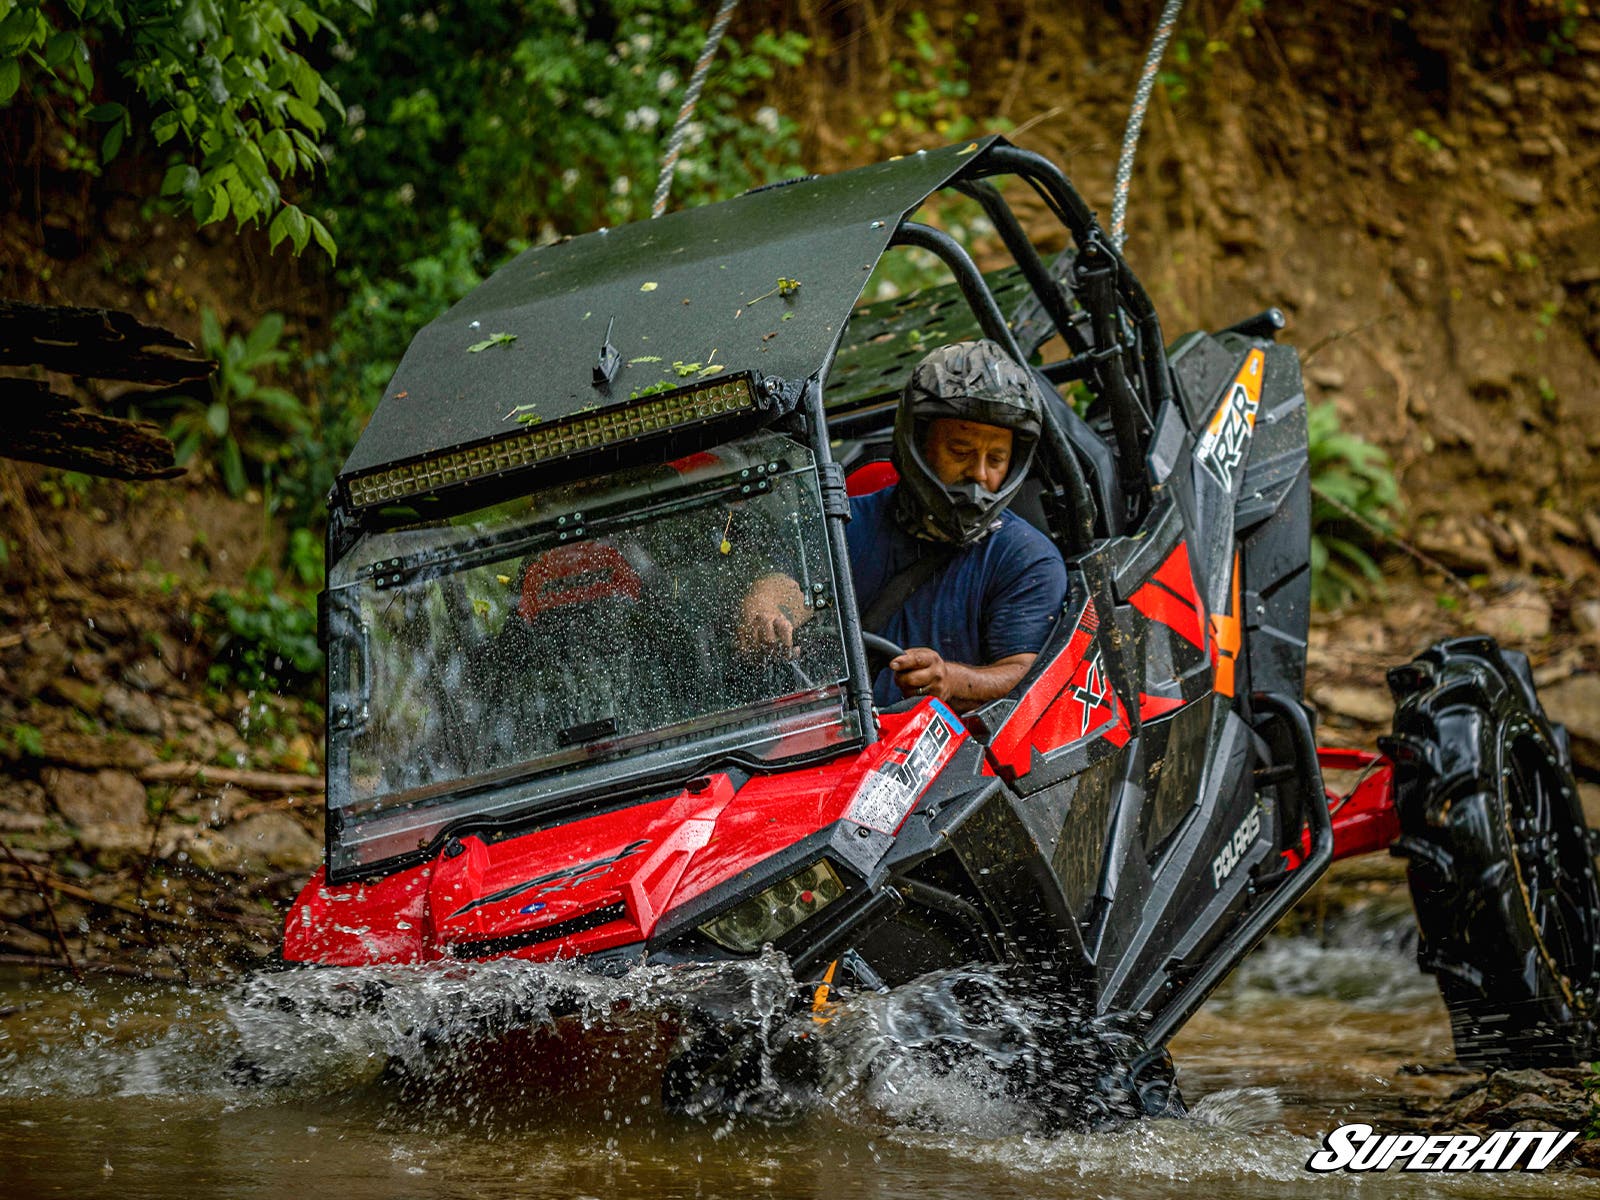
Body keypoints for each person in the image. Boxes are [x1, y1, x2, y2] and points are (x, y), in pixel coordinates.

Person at [738, 339, 1069, 711]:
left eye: (996, 459)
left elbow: (1027, 672)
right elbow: (782, 587)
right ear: (918, 441)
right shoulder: (839, 526)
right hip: (834, 740)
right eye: (960, 451)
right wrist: (766, 610)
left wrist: (951, 680)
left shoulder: (1028, 559)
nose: (979, 473)